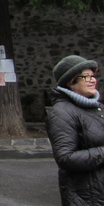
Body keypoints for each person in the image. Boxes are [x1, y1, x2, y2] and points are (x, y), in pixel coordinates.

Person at [46, 55, 104, 205]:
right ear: (71, 82)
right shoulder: (61, 112)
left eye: (93, 76)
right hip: (87, 198)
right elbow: (66, 158)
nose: (92, 80)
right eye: (86, 76)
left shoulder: (98, 108)